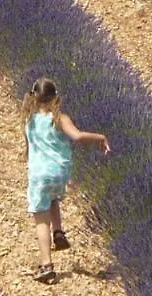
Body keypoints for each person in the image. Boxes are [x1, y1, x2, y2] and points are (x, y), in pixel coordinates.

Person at [21, 77, 110, 284]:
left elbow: (28, 149)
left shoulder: (28, 120)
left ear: (34, 97)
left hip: (39, 173)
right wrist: (100, 137)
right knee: (52, 198)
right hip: (60, 171)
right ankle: (59, 233)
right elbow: (77, 137)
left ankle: (46, 266)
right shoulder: (60, 119)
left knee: (40, 218)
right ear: (55, 97)